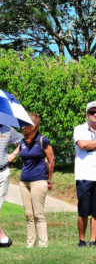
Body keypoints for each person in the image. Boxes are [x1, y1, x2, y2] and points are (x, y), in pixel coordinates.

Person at [16, 112, 54, 248]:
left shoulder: (43, 140)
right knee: (28, 215)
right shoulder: (22, 141)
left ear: (31, 126)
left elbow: (51, 161)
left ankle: (43, 245)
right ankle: (30, 245)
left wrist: (49, 180)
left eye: (25, 124)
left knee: (38, 214)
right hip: (24, 181)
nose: (22, 127)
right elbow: (16, 154)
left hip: (38, 181)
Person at [73, 101, 96, 247]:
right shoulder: (79, 129)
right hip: (84, 175)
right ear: (87, 114)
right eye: (92, 112)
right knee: (83, 211)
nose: (95, 115)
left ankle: (93, 240)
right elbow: (83, 144)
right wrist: (89, 143)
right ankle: (82, 239)